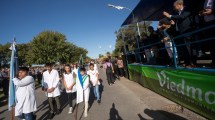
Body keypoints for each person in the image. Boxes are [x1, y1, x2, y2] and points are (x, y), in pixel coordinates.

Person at [163, 0, 195, 67]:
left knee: (188, 47)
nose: (174, 8)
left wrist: (169, 16)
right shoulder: (178, 13)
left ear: (179, 5)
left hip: (187, 31)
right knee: (184, 48)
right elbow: (179, 20)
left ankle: (192, 63)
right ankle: (187, 62)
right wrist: (174, 24)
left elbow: (182, 17)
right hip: (181, 33)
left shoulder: (186, 9)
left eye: (175, 6)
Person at [199, 0, 215, 66]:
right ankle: (214, 60)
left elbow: (212, 10)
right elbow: (202, 11)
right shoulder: (205, 1)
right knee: (211, 43)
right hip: (207, 23)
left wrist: (212, 11)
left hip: (214, 22)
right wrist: (202, 12)